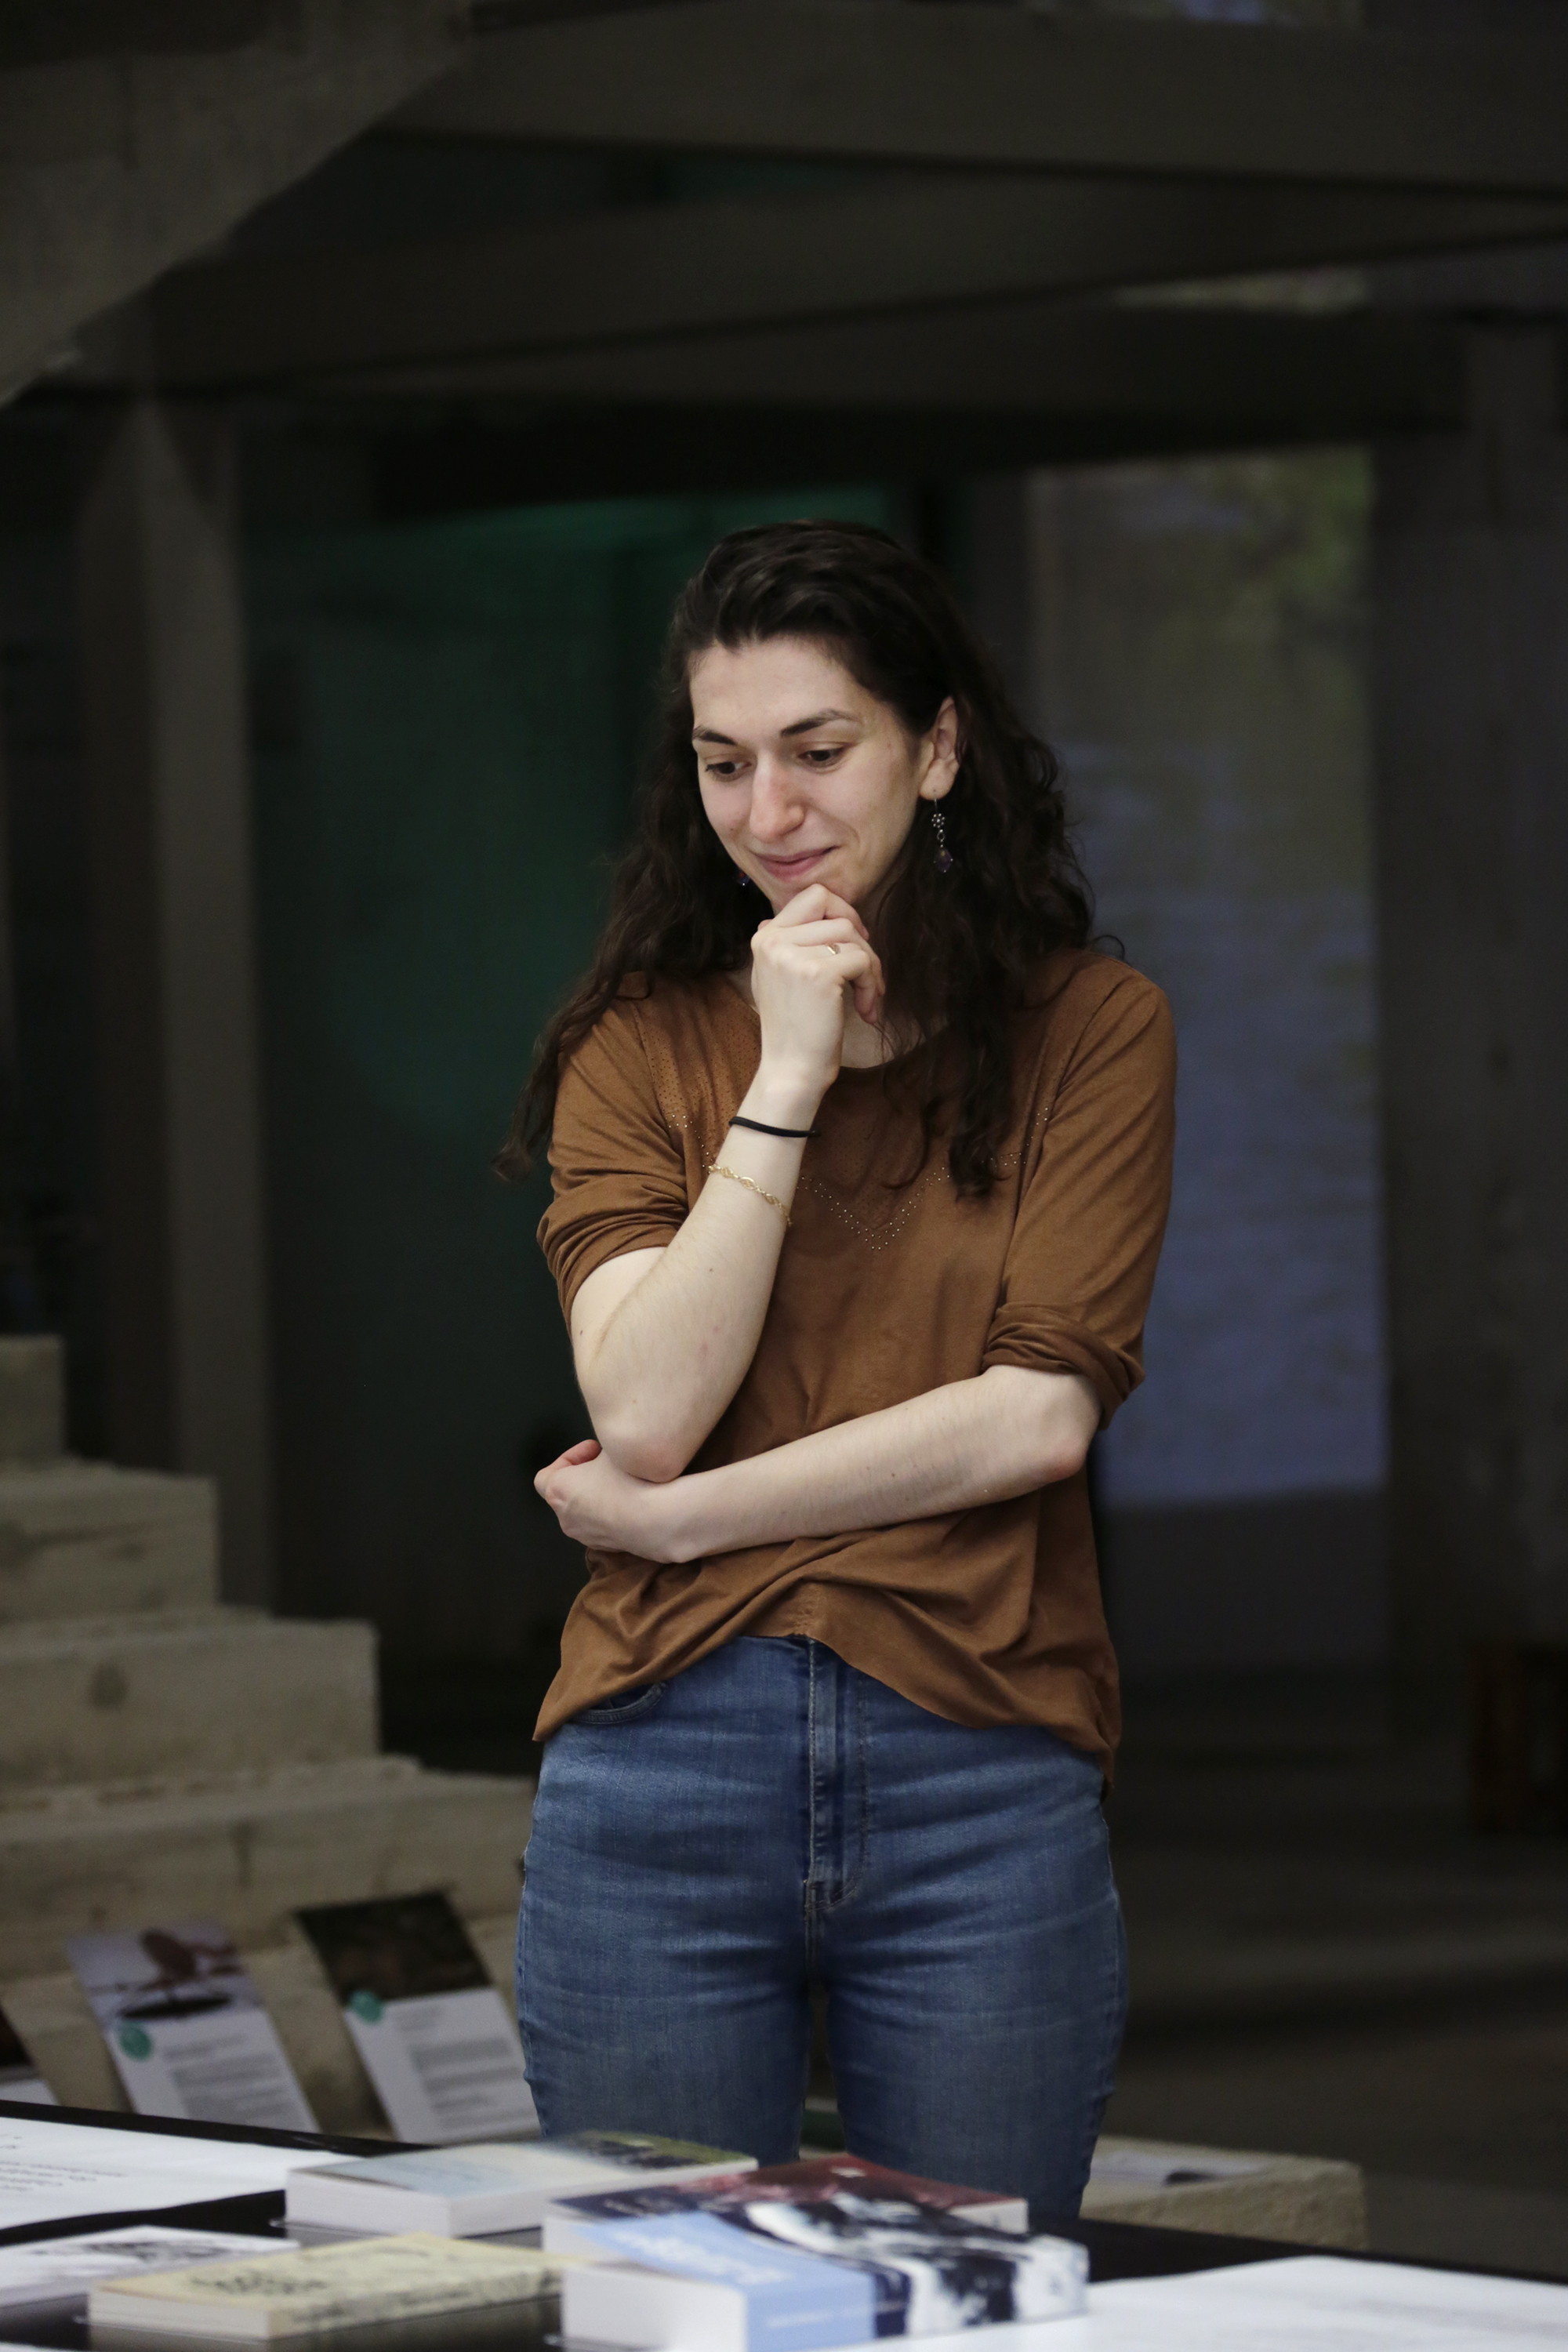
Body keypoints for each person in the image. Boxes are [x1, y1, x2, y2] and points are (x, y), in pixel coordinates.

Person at [499, 519, 1175, 2214]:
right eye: (725, 762)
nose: (769, 811)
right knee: (665, 2309)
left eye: (819, 750)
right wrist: (786, 1072)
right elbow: (645, 1409)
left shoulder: (1093, 1031)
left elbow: (1035, 1417)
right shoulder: (637, 1044)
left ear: (936, 748)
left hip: (978, 1763)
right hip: (659, 1767)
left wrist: (685, 1523)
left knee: (973, 2313)